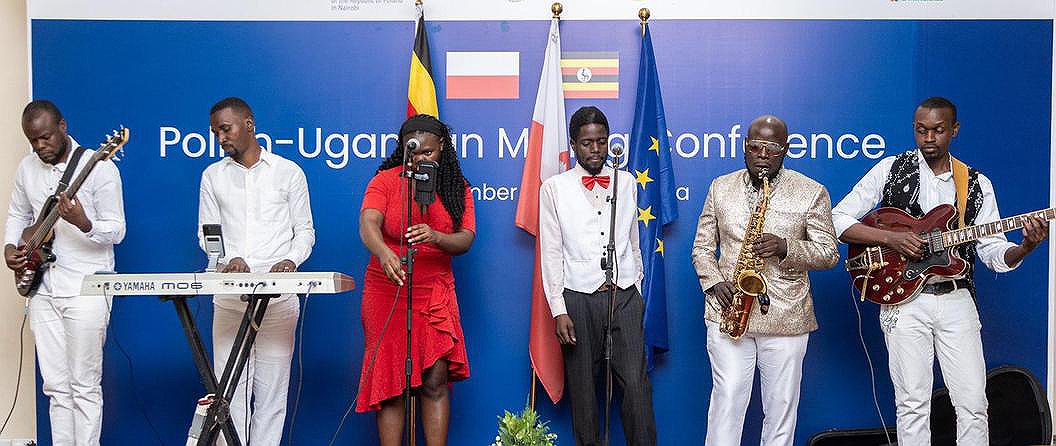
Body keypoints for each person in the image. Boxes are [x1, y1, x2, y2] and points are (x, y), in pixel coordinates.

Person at [831, 97, 1048, 445]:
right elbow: (837, 219)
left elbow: (993, 252)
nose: (929, 138)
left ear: (954, 130)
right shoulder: (890, 169)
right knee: (911, 403)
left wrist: (1025, 247)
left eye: (938, 130)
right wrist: (892, 238)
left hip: (956, 298)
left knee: (973, 404)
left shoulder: (975, 183)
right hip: (902, 301)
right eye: (921, 130)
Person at [692, 115, 838, 446]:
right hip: (728, 311)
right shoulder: (720, 187)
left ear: (785, 149)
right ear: (745, 147)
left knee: (781, 407)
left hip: (786, 316)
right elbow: (701, 248)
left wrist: (787, 247)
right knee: (727, 399)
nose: (762, 154)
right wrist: (714, 282)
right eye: (755, 147)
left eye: (771, 148)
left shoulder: (811, 191)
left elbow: (829, 253)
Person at [3, 100, 126, 446]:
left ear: (63, 126)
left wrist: (84, 223)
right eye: (32, 140)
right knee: (56, 386)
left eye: (45, 137)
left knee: (84, 386)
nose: (39, 146)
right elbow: (17, 214)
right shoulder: (27, 168)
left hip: (86, 288)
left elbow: (117, 230)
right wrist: (10, 248)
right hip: (43, 288)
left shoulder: (100, 168)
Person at [198, 97, 315, 445]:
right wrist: (227, 260)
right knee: (228, 396)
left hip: (278, 302)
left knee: (272, 397)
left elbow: (305, 231)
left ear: (249, 124)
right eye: (216, 132)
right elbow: (207, 233)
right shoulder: (212, 176)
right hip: (229, 300)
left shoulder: (288, 172)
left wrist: (291, 260)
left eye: (226, 129)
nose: (221, 138)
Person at [539, 106, 656, 446]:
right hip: (578, 296)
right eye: (587, 143)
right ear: (573, 144)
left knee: (636, 385)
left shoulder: (626, 182)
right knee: (583, 389)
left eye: (602, 142)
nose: (596, 149)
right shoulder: (554, 188)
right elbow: (551, 252)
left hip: (624, 295)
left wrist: (636, 285)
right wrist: (559, 309)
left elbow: (633, 242)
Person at [356, 114, 475, 446]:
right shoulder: (385, 181)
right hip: (387, 287)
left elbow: (466, 239)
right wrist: (383, 252)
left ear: (442, 148)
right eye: (414, 152)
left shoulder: (457, 187)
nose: (420, 158)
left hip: (434, 291)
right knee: (392, 385)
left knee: (435, 379)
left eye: (428, 152)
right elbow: (368, 223)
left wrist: (436, 236)